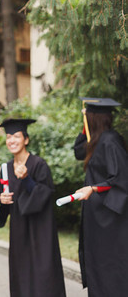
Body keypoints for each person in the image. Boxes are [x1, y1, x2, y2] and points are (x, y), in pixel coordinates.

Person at [0, 118, 65, 297]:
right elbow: (1, 195)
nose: (11, 140)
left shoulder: (38, 164)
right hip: (19, 228)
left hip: (40, 228)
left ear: (26, 139)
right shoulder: (6, 168)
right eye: (9, 137)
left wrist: (26, 178)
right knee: (21, 271)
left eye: (16, 136)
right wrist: (2, 199)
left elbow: (44, 194)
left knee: (43, 273)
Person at [73, 97, 128, 296]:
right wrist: (84, 126)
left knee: (109, 264)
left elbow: (121, 179)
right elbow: (78, 151)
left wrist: (92, 189)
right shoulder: (97, 140)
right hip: (97, 217)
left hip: (110, 218)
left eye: (87, 117)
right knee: (97, 261)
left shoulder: (111, 141)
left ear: (94, 118)